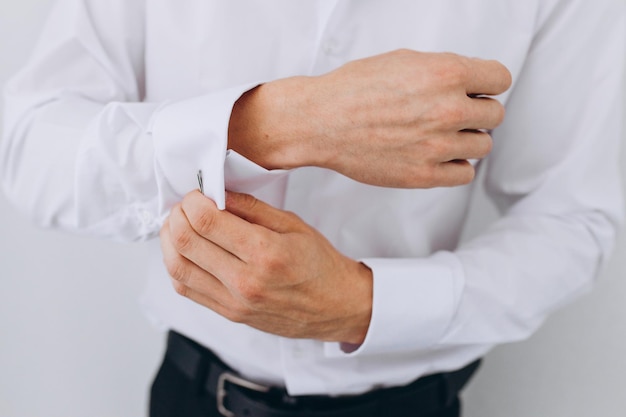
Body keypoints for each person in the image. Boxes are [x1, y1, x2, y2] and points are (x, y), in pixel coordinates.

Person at [1, 0, 624, 416]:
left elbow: (573, 220)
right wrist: (278, 124)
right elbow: (31, 147)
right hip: (188, 393)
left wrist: (366, 304)